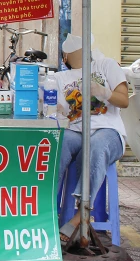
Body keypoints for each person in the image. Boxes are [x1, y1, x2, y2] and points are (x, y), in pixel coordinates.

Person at [54, 34, 128, 246]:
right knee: (57, 145)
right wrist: (56, 110)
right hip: (76, 131)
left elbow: (124, 101)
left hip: (108, 131)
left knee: (95, 145)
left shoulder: (106, 65)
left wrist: (104, 92)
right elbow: (57, 109)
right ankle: (45, 208)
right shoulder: (59, 78)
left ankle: (81, 214)